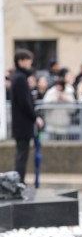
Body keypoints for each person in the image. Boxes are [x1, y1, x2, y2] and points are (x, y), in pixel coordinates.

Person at [10, 49, 44, 184]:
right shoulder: (20, 78)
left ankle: (19, 182)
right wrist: (35, 117)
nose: (30, 62)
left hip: (22, 124)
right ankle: (19, 183)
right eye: (28, 59)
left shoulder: (19, 77)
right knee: (22, 155)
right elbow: (24, 102)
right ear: (21, 61)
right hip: (22, 124)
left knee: (22, 154)